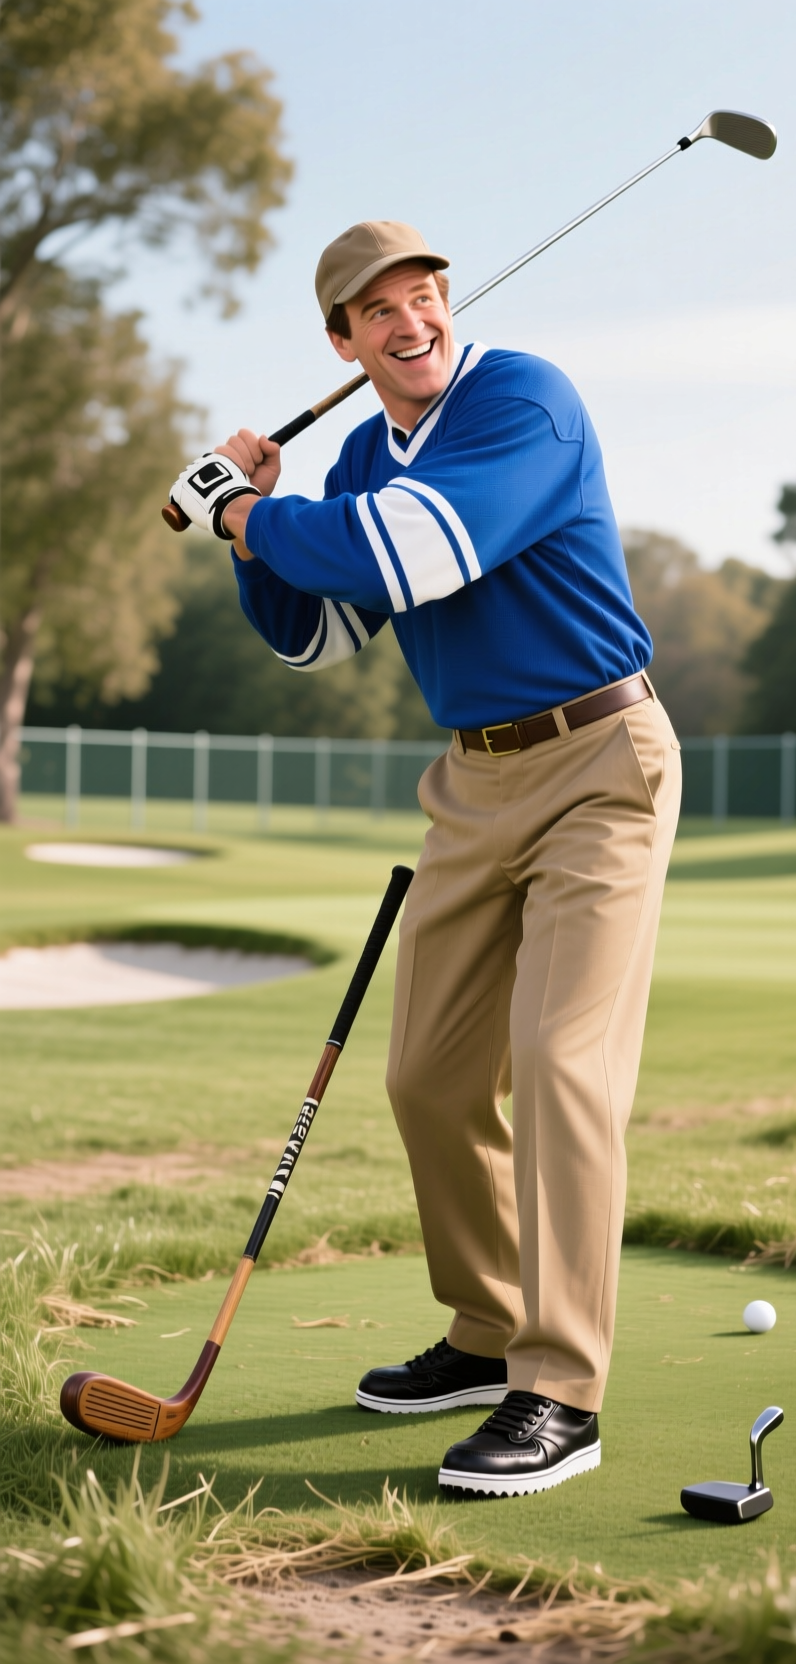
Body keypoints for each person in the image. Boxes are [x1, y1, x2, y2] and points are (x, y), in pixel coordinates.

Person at [168, 220, 682, 1497]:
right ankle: (484, 1326)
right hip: (473, 781)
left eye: (426, 295)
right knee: (428, 1078)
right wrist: (256, 523)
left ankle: (558, 1389)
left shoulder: (523, 398)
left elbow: (413, 550)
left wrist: (247, 510)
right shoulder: (358, 451)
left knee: (560, 1064)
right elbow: (317, 631)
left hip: (600, 763)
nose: (413, 322)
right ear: (340, 341)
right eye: (378, 310)